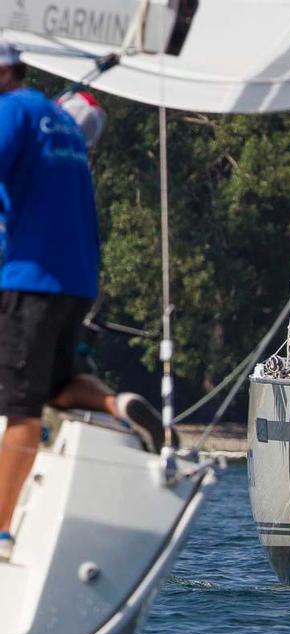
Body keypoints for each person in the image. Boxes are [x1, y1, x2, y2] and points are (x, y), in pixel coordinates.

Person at [0, 43, 165, 561]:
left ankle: (1, 529)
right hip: (76, 283)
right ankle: (117, 405)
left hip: (31, 281)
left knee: (21, 408)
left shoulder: (13, 112)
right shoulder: (59, 121)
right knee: (56, 383)